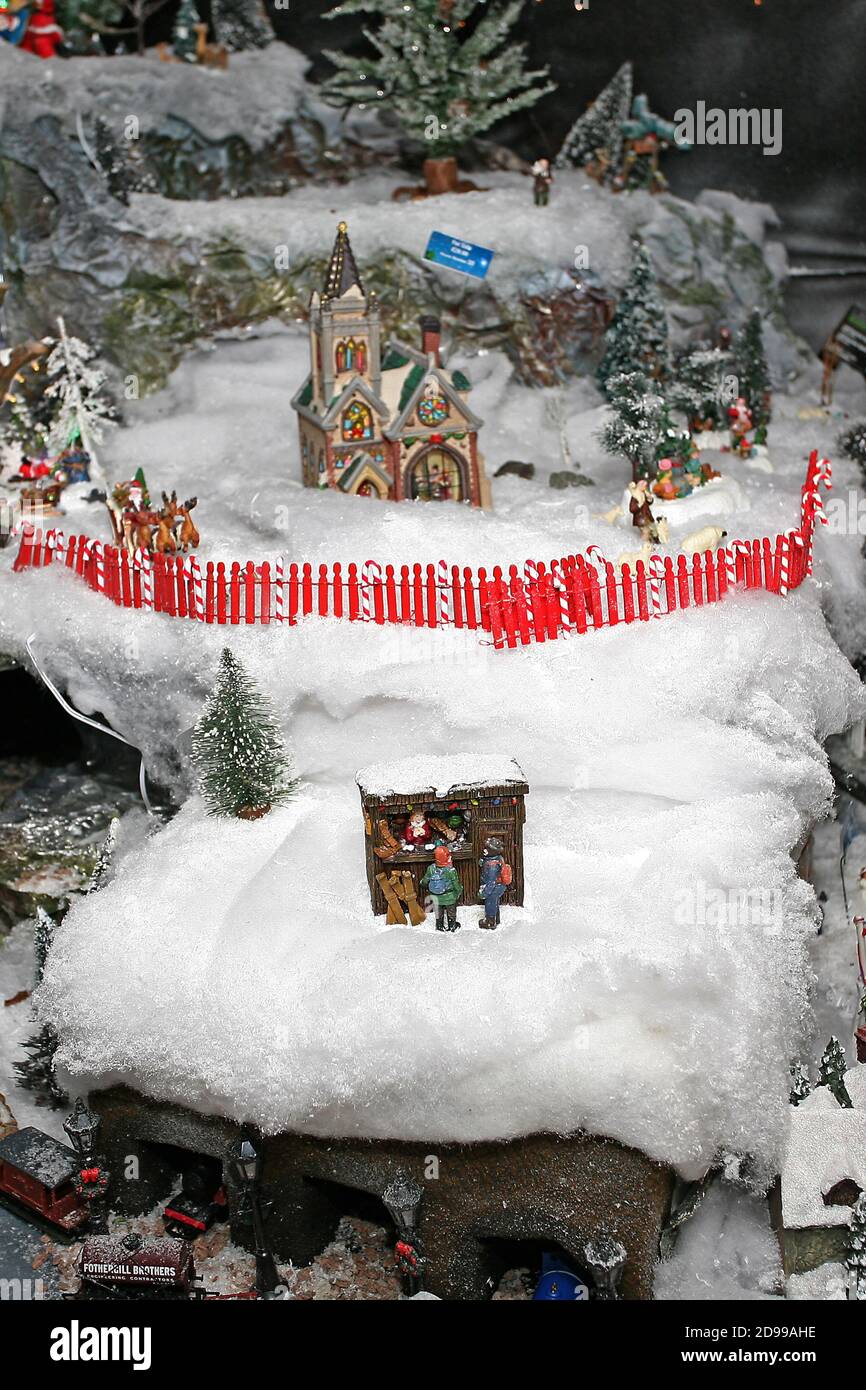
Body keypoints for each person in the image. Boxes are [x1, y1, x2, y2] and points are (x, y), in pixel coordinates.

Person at [421, 845, 462, 933]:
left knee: (438, 912)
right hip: (450, 897)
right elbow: (456, 885)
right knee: (451, 912)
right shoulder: (451, 871)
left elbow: (425, 881)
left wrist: (422, 884)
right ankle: (452, 926)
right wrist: (459, 891)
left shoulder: (431, 868)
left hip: (436, 897)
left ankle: (439, 926)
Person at [478, 836, 511, 930]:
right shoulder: (497, 858)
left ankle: (490, 922)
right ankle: (497, 919)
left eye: (487, 848)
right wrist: (483, 861)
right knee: (495, 902)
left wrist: (484, 893)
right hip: (498, 886)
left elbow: (491, 883)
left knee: (490, 904)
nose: (485, 850)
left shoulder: (492, 866)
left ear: (494, 851)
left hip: (494, 888)